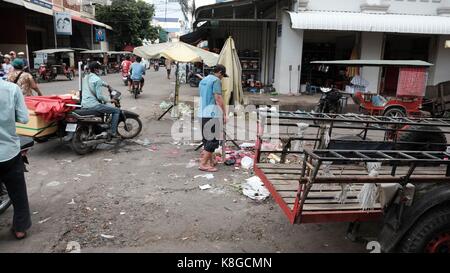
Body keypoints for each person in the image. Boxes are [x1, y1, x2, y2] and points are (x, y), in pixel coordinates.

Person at [0, 77, 32, 240]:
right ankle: (20, 229)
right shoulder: (11, 88)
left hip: (8, 151)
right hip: (8, 152)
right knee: (18, 191)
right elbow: (24, 118)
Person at [198, 64, 228, 172]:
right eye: (222, 75)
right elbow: (218, 97)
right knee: (212, 140)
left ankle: (211, 162)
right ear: (219, 72)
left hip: (201, 113)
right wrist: (225, 113)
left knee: (207, 139)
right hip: (211, 114)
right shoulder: (216, 81)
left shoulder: (204, 80)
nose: (222, 78)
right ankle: (203, 164)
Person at [81, 61, 120, 138]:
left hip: (84, 104)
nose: (100, 70)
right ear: (95, 69)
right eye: (99, 68)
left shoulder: (86, 77)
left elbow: (99, 82)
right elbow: (100, 97)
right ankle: (112, 132)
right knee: (116, 110)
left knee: (104, 106)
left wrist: (108, 85)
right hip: (93, 105)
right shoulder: (97, 79)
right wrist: (110, 100)